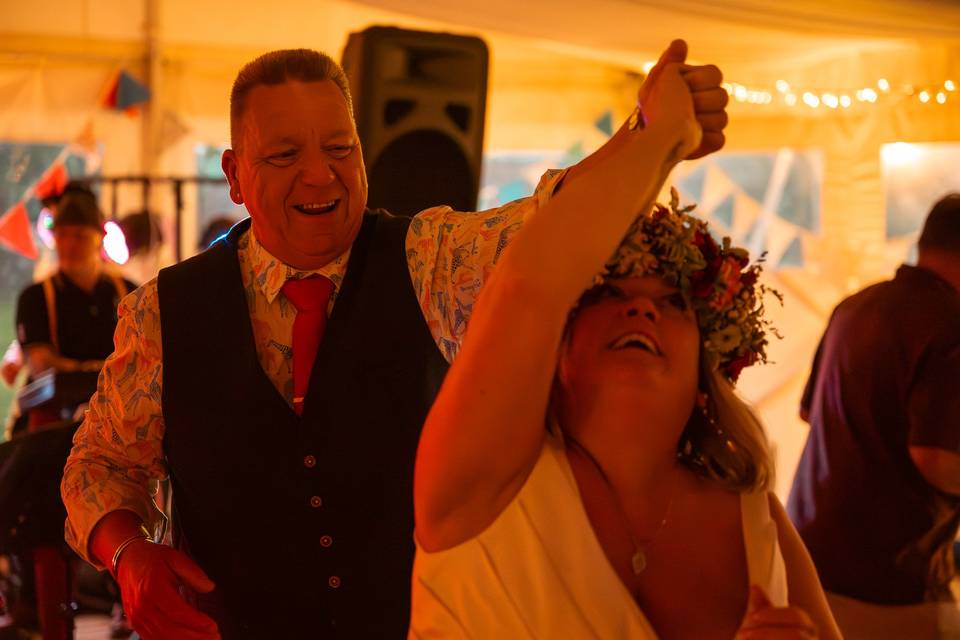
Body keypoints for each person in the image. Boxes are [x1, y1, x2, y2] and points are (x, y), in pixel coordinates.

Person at [61, 41, 729, 639]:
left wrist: (650, 139)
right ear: (234, 176)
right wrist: (127, 555)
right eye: (286, 155)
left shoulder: (430, 259)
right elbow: (100, 465)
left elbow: (547, 224)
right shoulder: (161, 314)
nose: (321, 176)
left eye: (340, 148)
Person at [409, 58, 840, 638]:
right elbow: (525, 286)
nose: (641, 309)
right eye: (609, 292)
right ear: (554, 340)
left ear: (707, 364)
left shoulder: (755, 516)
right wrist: (658, 137)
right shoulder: (480, 482)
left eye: (673, 302)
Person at [787, 193, 960, 638]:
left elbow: (810, 413)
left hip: (808, 563)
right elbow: (936, 460)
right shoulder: (949, 323)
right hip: (889, 584)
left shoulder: (855, 305)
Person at [11, 186, 135, 639]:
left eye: (79, 235)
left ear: (97, 237)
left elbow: (145, 361)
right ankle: (33, 605)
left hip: (120, 426)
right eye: (62, 235)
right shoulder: (35, 297)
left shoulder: (130, 292)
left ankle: (131, 604)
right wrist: (100, 369)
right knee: (36, 506)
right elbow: (42, 365)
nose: (69, 245)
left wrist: (86, 371)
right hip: (54, 428)